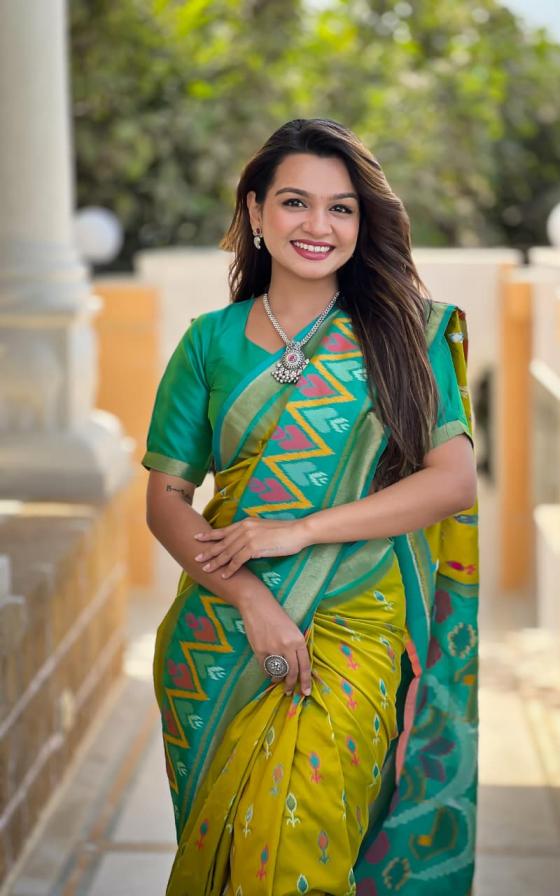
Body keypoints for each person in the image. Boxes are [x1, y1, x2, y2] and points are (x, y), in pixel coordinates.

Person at [142, 117, 479, 896]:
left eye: (342, 208)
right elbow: (165, 501)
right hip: (219, 640)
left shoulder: (409, 334)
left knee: (298, 852)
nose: (318, 225)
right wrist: (252, 601)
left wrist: (298, 531)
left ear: (363, 222)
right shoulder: (209, 343)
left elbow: (452, 481)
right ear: (255, 212)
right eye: (295, 202)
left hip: (356, 625)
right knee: (227, 860)